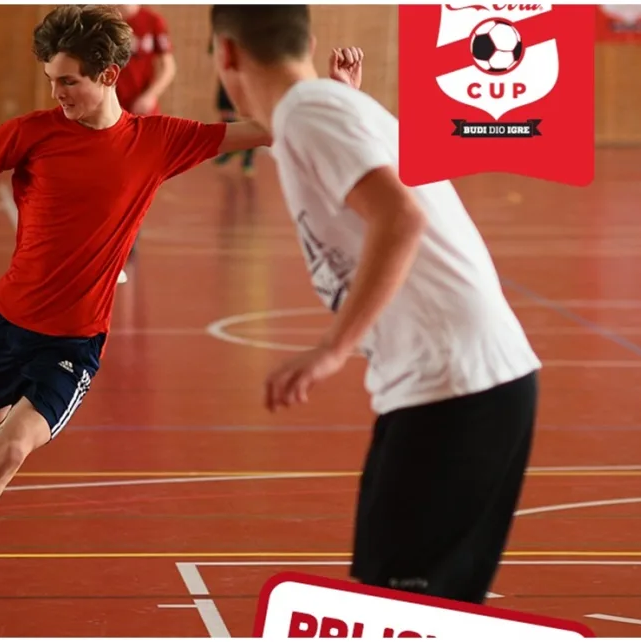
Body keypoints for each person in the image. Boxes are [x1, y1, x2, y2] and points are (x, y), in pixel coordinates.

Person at [0, 4, 271, 627]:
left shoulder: (158, 141)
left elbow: (261, 130)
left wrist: (339, 97)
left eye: (69, 81)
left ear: (109, 75)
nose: (57, 93)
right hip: (4, 321)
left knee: (6, 454)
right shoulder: (30, 133)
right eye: (51, 79)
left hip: (73, 343)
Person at [209, 5, 542, 604]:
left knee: (402, 606)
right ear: (309, 42)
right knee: (405, 600)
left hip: (457, 385)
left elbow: (401, 216)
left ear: (226, 53)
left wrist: (330, 350)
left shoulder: (311, 112)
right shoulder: (319, 111)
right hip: (456, 384)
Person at [113, 4, 176, 285]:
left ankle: (128, 234)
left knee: (137, 178)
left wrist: (150, 95)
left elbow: (168, 66)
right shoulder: (104, 17)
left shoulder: (152, 21)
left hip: (142, 115)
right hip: (111, 113)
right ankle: (112, 235)